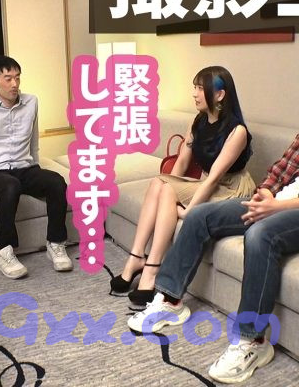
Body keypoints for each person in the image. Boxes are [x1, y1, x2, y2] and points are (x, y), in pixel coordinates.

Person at [127, 135, 299, 384]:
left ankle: (253, 340)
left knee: (260, 235)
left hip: (291, 211)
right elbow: (280, 171)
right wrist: (264, 195)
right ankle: (170, 300)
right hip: (275, 201)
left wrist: (277, 207)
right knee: (200, 215)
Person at [110, 66, 255, 306]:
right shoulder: (197, 122)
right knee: (159, 182)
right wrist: (167, 186)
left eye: (200, 88)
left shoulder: (237, 131)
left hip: (231, 189)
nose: (194, 93)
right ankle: (136, 257)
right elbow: (181, 163)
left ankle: (152, 269)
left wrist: (187, 211)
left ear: (220, 95)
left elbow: (214, 178)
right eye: (194, 87)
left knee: (167, 188)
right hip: (206, 182)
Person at [0, 55, 73, 278]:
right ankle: (2, 251)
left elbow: (33, 142)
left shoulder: (31, 101)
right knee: (10, 186)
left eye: (17, 78)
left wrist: (37, 170)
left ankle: (55, 243)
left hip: (25, 168)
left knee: (56, 182)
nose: (14, 84)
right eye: (8, 78)